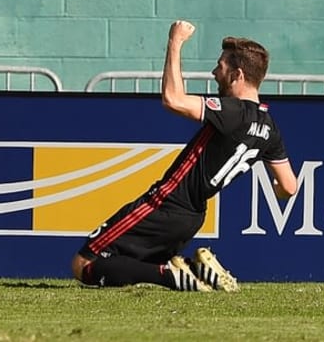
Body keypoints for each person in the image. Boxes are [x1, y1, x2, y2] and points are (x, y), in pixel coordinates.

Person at [71, 20, 298, 292]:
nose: (215, 72)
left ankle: (177, 274)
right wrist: (276, 191)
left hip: (165, 204)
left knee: (84, 264)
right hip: (193, 216)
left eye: (220, 66)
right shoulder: (269, 126)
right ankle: (195, 269)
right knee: (122, 264)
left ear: (237, 75)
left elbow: (173, 99)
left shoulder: (233, 111)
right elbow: (288, 186)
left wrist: (175, 42)